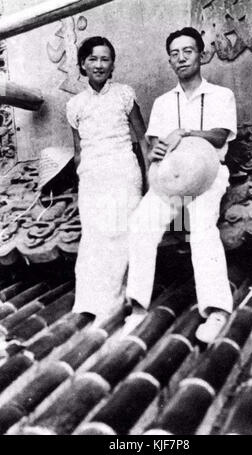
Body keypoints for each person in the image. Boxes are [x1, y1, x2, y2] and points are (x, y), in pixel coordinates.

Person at [125, 27, 237, 343]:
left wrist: (185, 133)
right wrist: (157, 149)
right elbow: (154, 144)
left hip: (209, 175)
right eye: (174, 53)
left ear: (201, 55)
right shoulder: (162, 102)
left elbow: (219, 135)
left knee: (201, 227)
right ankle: (137, 309)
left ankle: (216, 310)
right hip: (171, 179)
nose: (181, 58)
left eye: (187, 51)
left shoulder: (220, 95)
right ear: (170, 60)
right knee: (140, 224)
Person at [66, 36, 149, 323]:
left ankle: (120, 304)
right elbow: (78, 151)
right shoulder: (74, 105)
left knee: (123, 235)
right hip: (91, 177)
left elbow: (142, 139)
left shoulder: (125, 94)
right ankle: (90, 304)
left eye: (105, 59)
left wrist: (151, 177)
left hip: (124, 172)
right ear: (82, 64)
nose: (99, 64)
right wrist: (81, 185)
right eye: (93, 59)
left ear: (112, 64)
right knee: (94, 238)